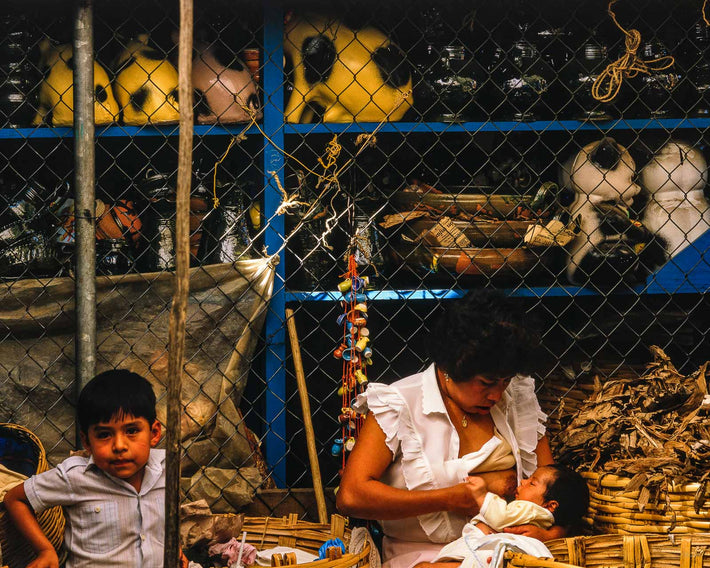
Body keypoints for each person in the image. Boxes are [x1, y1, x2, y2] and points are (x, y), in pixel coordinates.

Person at [336, 290, 563, 568]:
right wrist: (446, 499)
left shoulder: (517, 398)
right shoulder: (400, 404)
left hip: (506, 551)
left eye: (504, 381)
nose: (497, 395)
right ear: (452, 366)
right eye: (486, 382)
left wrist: (550, 534)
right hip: (424, 557)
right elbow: (351, 496)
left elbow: (556, 491)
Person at [4, 369, 180, 568]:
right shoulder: (75, 477)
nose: (119, 446)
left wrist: (176, 551)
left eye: (132, 431)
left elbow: (162, 524)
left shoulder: (168, 469)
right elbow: (15, 499)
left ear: (154, 433)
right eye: (104, 434)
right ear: (87, 442)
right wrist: (45, 550)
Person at [430, 464, 589, 565]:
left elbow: (501, 517)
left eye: (532, 483)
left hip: (486, 550)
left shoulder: (530, 509)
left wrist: (482, 495)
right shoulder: (537, 513)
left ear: (551, 505)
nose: (523, 482)